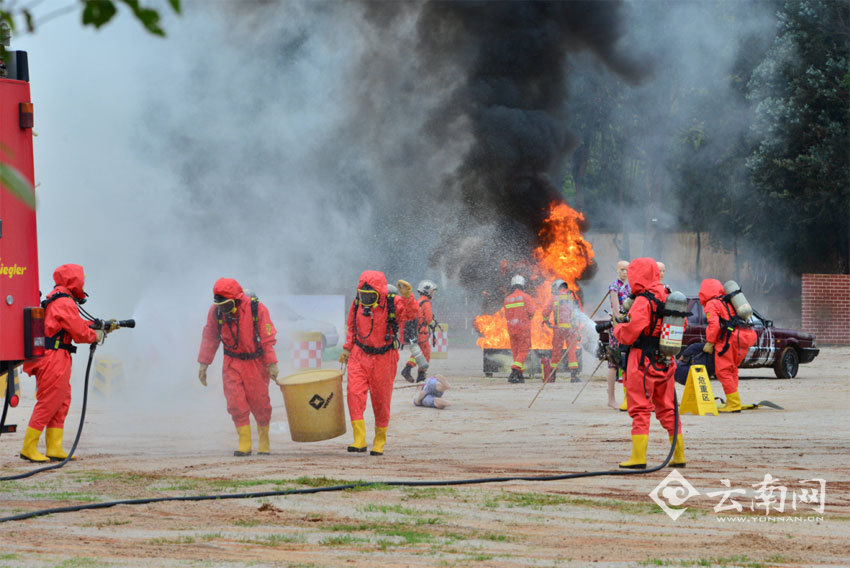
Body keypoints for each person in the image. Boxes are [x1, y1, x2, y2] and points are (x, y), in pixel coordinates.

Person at [20, 264, 103, 462]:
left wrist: (96, 326)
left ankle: (54, 447)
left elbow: (73, 324)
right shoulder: (64, 302)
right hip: (54, 357)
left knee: (61, 401)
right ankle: (28, 447)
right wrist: (96, 334)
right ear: (74, 280)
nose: (83, 283)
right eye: (82, 279)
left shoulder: (59, 298)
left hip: (58, 355)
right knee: (49, 401)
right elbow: (79, 333)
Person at [611, 257, 685, 469]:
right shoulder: (669, 295)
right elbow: (682, 324)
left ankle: (638, 457)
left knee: (640, 408)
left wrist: (617, 328)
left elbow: (631, 332)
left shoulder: (644, 300)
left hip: (642, 362)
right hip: (665, 360)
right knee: (669, 409)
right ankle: (679, 455)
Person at [338, 271, 418, 455]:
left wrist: (408, 297)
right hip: (359, 354)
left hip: (384, 358)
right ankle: (359, 439)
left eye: (370, 296)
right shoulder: (357, 303)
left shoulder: (392, 302)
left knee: (381, 400)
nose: (366, 299)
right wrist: (347, 348)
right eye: (363, 295)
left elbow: (411, 314)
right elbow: (352, 327)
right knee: (354, 394)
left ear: (379, 293)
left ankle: (379, 441)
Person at [198, 278, 279, 457]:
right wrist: (204, 363)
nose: (223, 310)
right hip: (231, 362)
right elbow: (210, 337)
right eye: (220, 306)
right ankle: (245, 442)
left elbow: (267, 339)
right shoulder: (216, 312)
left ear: (237, 300)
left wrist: (272, 363)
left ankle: (263, 440)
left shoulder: (257, 309)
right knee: (235, 402)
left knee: (260, 404)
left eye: (226, 306)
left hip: (255, 363)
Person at [698, 279, 757, 413]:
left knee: (723, 371)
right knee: (732, 370)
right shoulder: (728, 301)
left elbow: (714, 325)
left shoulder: (712, 304)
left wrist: (710, 342)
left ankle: (734, 403)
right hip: (743, 337)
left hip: (729, 341)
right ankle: (733, 400)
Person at [542, 279, 581, 382]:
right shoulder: (572, 296)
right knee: (572, 351)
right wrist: (578, 328)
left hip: (558, 329)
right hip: (571, 329)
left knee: (556, 351)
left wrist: (546, 320)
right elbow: (579, 312)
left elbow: (545, 312)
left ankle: (553, 376)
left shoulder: (554, 298)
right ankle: (573, 376)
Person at [401, 280, 439, 384]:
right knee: (425, 353)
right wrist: (434, 324)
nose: (433, 293)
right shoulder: (426, 303)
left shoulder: (418, 301)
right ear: (427, 291)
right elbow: (429, 320)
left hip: (416, 332)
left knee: (419, 352)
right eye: (432, 291)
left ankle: (409, 370)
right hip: (422, 332)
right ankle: (419, 374)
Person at [607, 260, 631, 410]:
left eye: (627, 270)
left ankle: (629, 398)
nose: (624, 272)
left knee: (629, 362)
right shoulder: (614, 286)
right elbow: (616, 311)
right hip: (617, 327)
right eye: (622, 269)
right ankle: (611, 399)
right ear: (617, 270)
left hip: (628, 327)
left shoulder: (630, 286)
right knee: (613, 363)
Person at [504, 274, 535, 384]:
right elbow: (532, 312)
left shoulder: (507, 299)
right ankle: (514, 372)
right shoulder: (526, 297)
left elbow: (506, 316)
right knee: (523, 351)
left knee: (516, 352)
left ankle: (519, 375)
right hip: (523, 329)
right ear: (523, 285)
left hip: (512, 329)